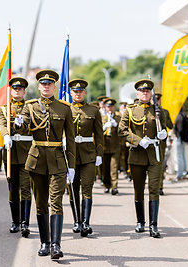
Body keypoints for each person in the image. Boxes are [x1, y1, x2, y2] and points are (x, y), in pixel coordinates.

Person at [16, 69, 75, 259]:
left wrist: (71, 165)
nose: (46, 86)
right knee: (41, 203)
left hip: (58, 160)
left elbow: (71, 139)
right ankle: (44, 242)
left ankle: (56, 245)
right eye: (43, 84)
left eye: (49, 84)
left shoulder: (64, 108)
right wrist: (18, 123)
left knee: (56, 201)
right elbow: (24, 124)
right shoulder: (30, 106)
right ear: (39, 86)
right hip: (37, 160)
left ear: (54, 86)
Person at [118, 79, 167, 238]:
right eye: (142, 91)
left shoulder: (158, 111)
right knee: (138, 190)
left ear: (151, 93)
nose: (145, 93)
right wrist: (138, 141)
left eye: (148, 91)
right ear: (137, 93)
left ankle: (154, 225)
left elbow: (163, 130)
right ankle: (140, 222)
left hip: (154, 156)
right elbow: (122, 130)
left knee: (154, 189)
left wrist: (163, 135)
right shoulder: (130, 110)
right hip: (137, 155)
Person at [67, 79, 103, 237]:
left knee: (87, 188)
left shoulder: (93, 110)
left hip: (88, 154)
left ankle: (86, 223)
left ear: (85, 92)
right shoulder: (65, 109)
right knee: (73, 189)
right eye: (75, 91)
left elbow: (100, 135)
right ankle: (76, 221)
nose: (78, 93)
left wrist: (99, 153)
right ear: (70, 93)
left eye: (80, 91)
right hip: (71, 155)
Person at [0, 77, 33, 237]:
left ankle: (25, 223)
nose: (17, 91)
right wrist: (6, 135)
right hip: (10, 154)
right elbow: (2, 124)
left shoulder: (31, 108)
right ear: (10, 91)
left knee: (26, 188)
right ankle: (15, 221)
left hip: (27, 153)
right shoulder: (5, 108)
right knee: (13, 189)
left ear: (24, 91)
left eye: (20, 89)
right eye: (14, 88)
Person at [154, 90, 173, 195]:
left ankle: (159, 186)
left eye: (158, 99)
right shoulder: (149, 111)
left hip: (160, 141)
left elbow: (170, 126)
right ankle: (155, 185)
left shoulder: (164, 112)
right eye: (155, 99)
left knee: (159, 164)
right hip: (151, 141)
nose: (157, 101)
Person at [101, 98, 121, 195]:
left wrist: (116, 125)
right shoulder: (102, 118)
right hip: (104, 146)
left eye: (111, 106)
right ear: (105, 107)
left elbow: (123, 131)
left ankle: (114, 186)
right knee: (105, 168)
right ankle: (106, 185)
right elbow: (97, 132)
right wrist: (104, 127)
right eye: (108, 106)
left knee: (114, 167)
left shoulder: (118, 118)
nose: (110, 108)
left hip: (115, 146)